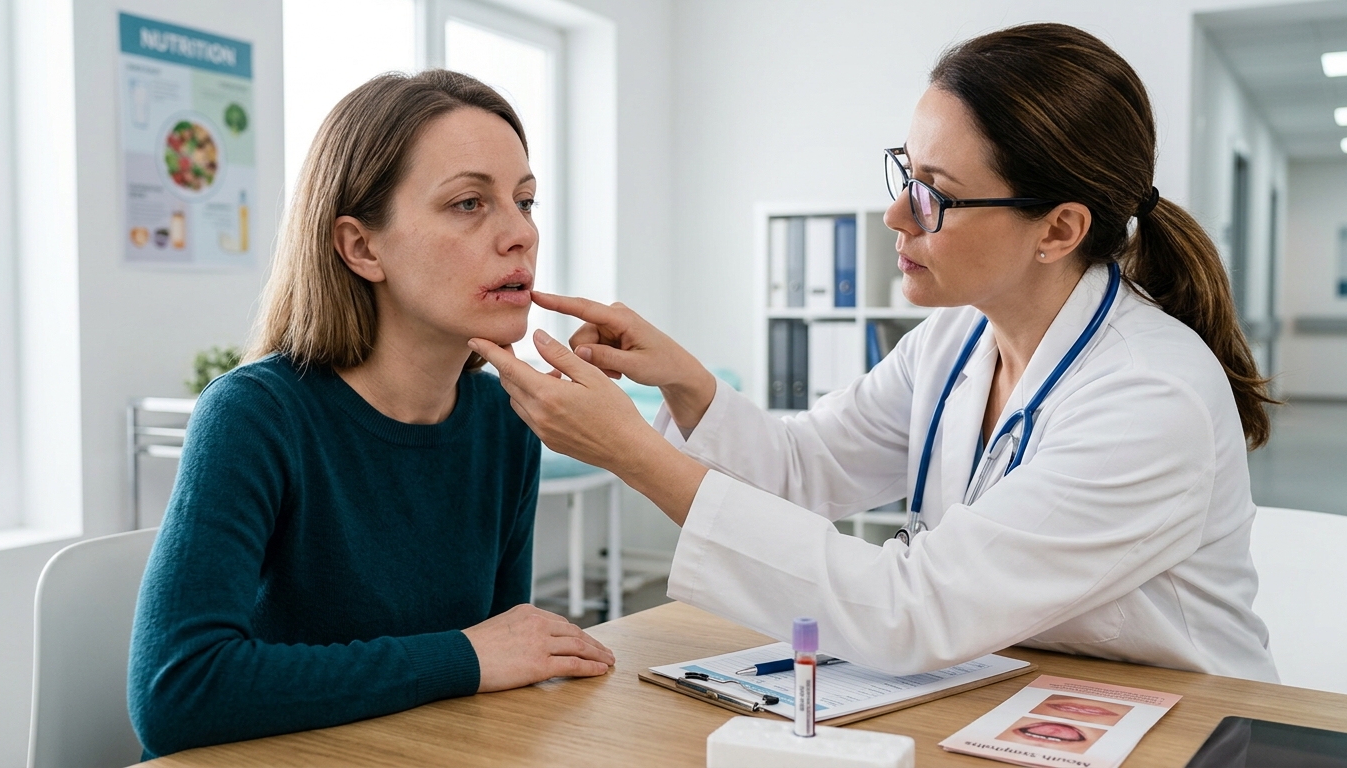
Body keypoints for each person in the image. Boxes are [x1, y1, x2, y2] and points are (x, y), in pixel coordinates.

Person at [470, 23, 1279, 682]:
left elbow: (912, 612)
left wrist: (632, 452)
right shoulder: (958, 339)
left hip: (1176, 724)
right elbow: (806, 470)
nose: (895, 214)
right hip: (1011, 693)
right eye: (905, 172)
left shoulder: (1150, 396)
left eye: (934, 194)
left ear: (1059, 229)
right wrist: (687, 385)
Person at [128, 70, 613, 758]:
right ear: (361, 247)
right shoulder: (254, 415)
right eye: (469, 202)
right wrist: (463, 656)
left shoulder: (505, 422)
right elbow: (178, 693)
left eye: (525, 201)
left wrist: (483, 659)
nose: (520, 235)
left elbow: (506, 659)